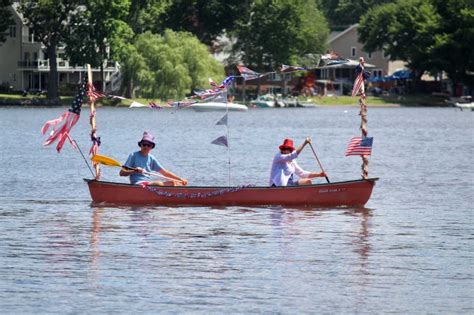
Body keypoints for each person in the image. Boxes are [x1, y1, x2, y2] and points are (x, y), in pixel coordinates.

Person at [119, 131, 188, 186]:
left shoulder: (151, 158)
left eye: (148, 145)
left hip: (148, 184)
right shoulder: (133, 155)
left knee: (174, 183)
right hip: (138, 184)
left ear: (151, 147)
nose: (146, 147)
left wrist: (180, 179)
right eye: (144, 144)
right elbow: (121, 173)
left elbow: (165, 173)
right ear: (140, 145)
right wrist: (134, 171)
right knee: (158, 183)